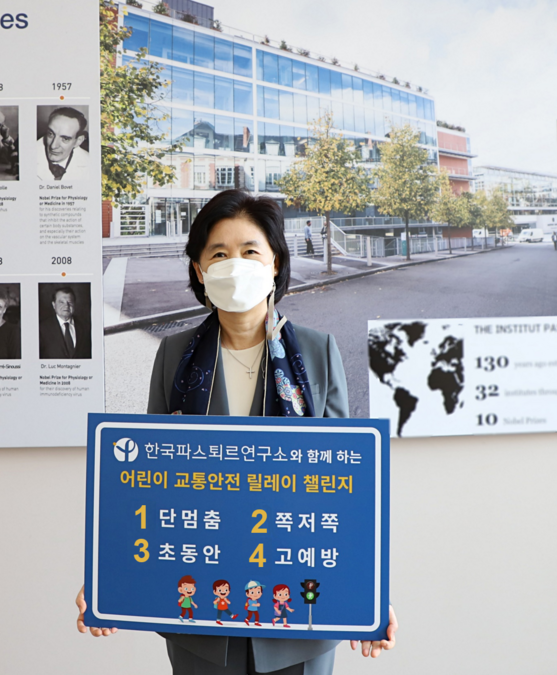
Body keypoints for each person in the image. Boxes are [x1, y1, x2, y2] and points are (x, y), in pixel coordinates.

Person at [74, 189, 398, 674]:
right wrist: (111, 577)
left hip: (299, 619)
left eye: (249, 251)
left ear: (274, 263)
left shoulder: (319, 352)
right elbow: (149, 482)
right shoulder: (174, 356)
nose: (235, 265)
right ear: (199, 270)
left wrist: (367, 594)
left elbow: (343, 491)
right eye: (219, 254)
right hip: (201, 623)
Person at [33, 107, 90, 182]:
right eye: (50, 134)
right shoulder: (26, 157)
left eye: (65, 139)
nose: (53, 146)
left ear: (78, 141)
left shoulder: (91, 164)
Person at [38, 286, 91, 359]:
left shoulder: (86, 326)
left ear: (74, 304)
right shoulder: (41, 328)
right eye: (61, 302)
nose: (66, 306)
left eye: (70, 302)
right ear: (54, 305)